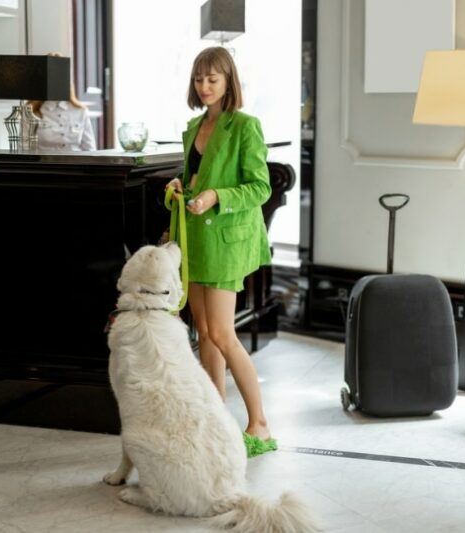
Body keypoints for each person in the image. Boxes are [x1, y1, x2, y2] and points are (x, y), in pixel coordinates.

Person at [165, 46, 276, 457]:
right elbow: (191, 177)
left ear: (229, 81)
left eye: (213, 79)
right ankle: (216, 421)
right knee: (205, 335)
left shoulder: (245, 126)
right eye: (199, 79)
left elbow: (259, 187)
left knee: (223, 334)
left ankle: (259, 425)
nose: (205, 86)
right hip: (195, 241)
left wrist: (216, 196)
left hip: (227, 242)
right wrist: (177, 187)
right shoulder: (195, 126)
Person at [29, 54, 96, 151]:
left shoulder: (80, 111)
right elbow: (25, 151)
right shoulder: (31, 112)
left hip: (75, 165)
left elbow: (90, 150)